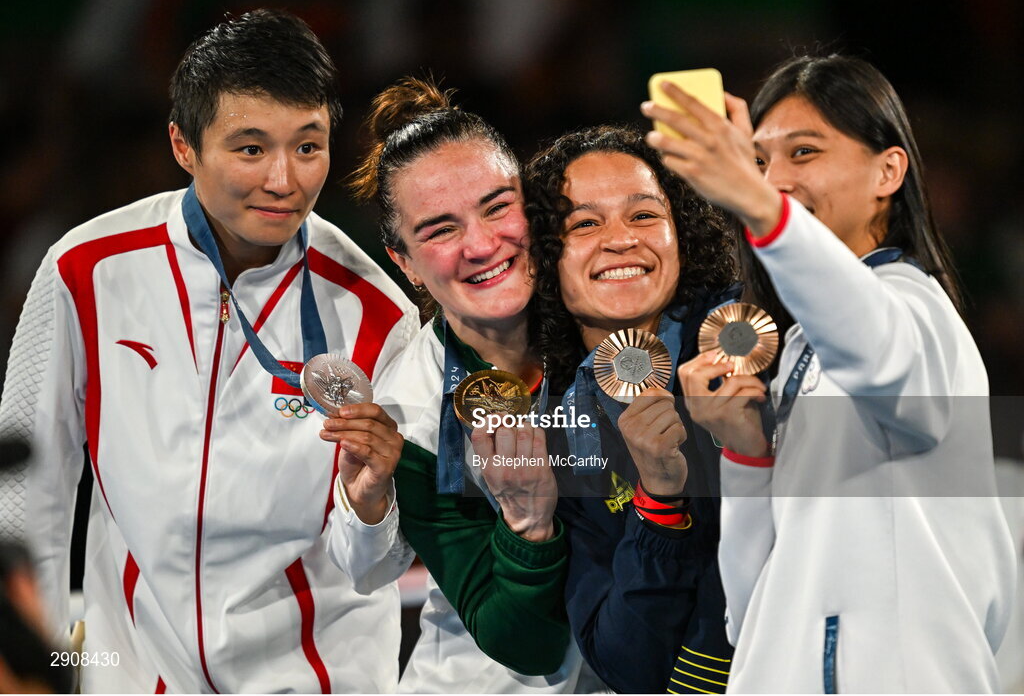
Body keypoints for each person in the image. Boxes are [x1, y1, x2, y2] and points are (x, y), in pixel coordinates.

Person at [0, 9, 419, 692]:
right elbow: (28, 490)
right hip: (132, 678)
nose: (284, 180)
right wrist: (37, 673)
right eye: (251, 148)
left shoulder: (377, 315)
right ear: (183, 145)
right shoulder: (87, 270)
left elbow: (376, 563)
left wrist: (372, 506)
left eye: (308, 147)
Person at [643, 53, 1018, 691]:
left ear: (888, 170)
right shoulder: (798, 350)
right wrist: (747, 455)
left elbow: (877, 349)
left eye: (805, 152)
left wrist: (760, 204)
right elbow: (752, 606)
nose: (777, 178)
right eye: (761, 161)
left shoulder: (915, 311)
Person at [323, 76, 583, 692]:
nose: (481, 244)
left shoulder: (615, 323)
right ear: (405, 262)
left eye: (497, 206)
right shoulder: (410, 415)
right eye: (440, 230)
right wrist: (526, 524)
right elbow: (529, 645)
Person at [524, 125, 741, 693]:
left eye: (643, 215)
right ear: (546, 259)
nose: (620, 240)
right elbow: (626, 664)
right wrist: (659, 500)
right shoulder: (559, 437)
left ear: (681, 234)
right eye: (585, 223)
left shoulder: (752, 337)